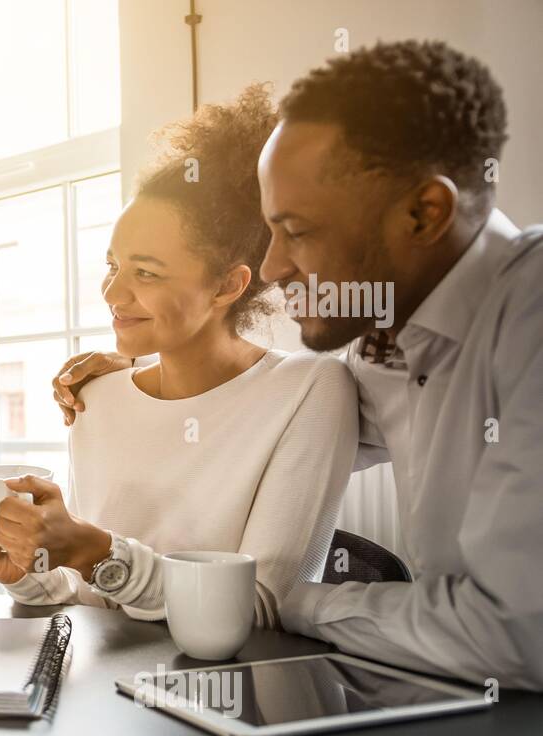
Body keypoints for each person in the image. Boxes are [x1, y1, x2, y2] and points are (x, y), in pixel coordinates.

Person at [53, 41, 543, 690]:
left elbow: (513, 636)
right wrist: (148, 370)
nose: (275, 268)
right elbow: (258, 405)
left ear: (425, 213)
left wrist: (269, 599)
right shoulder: (389, 351)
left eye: (299, 231)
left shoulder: (529, 316)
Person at [0, 86, 357, 629]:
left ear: (227, 285)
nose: (112, 294)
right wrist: (28, 569)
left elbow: (260, 609)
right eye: (112, 265)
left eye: (145, 272)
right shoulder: (95, 397)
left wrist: (94, 551)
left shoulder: (310, 390)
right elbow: (88, 598)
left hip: (230, 698)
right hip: (100, 698)